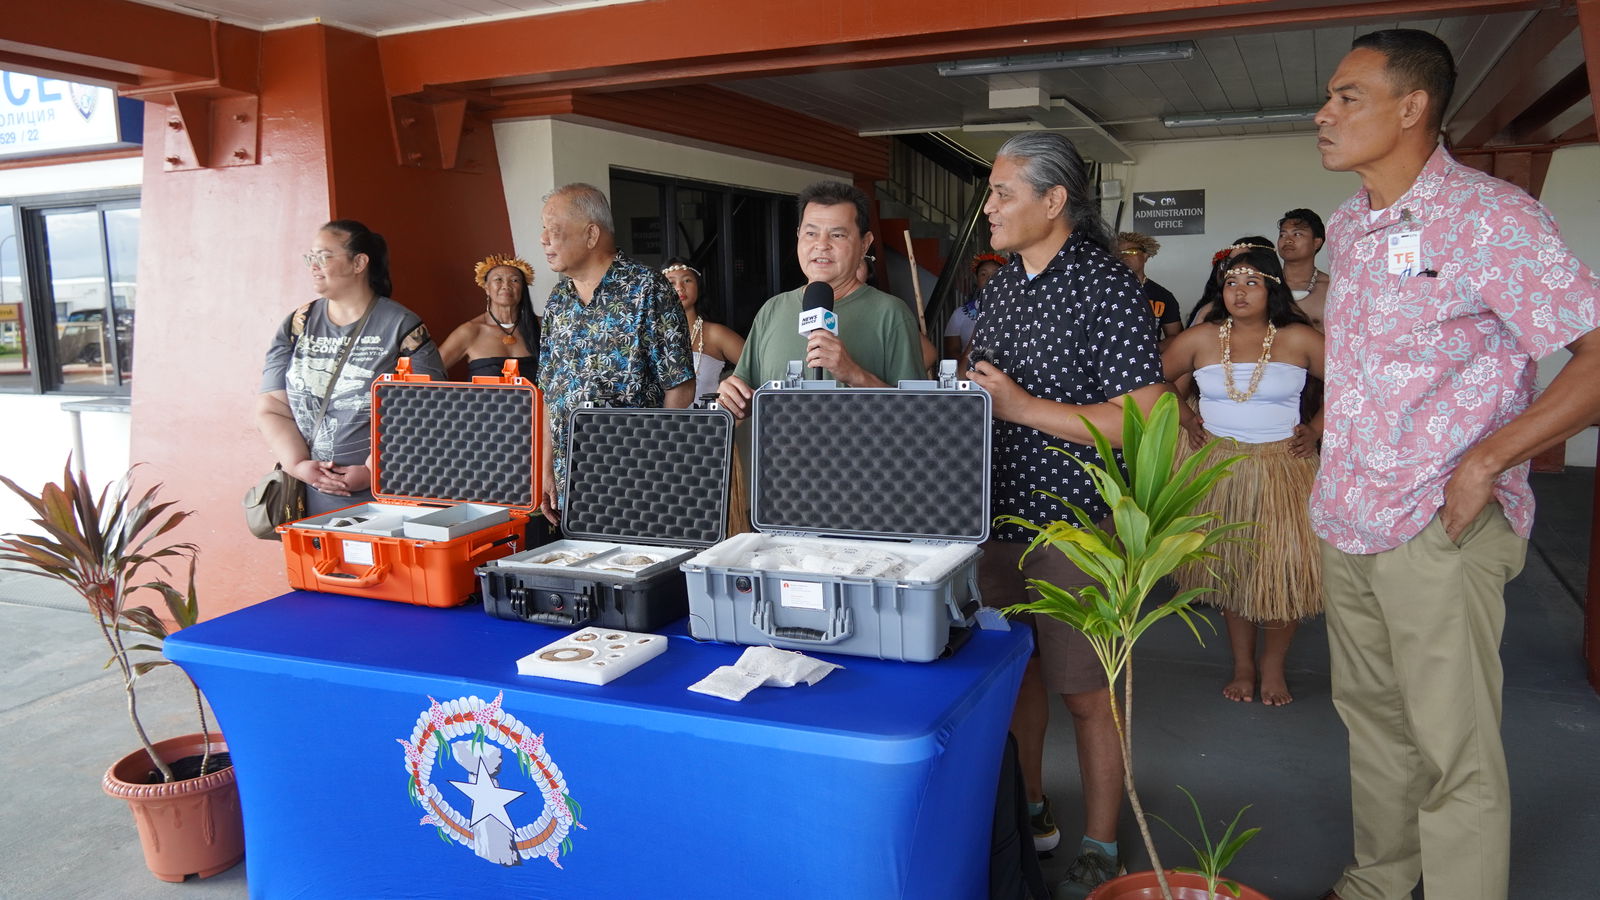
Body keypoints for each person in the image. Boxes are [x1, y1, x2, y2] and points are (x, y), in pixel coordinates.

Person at [1311, 29, 1600, 900]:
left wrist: (1485, 465)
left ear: (1413, 107)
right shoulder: (1350, 228)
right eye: (1327, 98)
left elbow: (1594, 359)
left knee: (1453, 745)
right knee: (1372, 723)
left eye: (1347, 96)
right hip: (1350, 517)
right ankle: (1381, 881)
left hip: (1443, 523)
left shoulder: (1491, 219)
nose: (1323, 114)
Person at [964, 132, 1167, 899]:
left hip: (1078, 524)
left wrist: (1024, 408)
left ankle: (1102, 841)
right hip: (998, 518)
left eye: (1003, 192)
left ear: (1054, 202)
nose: (989, 207)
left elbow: (1145, 419)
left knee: (1089, 691)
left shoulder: (1104, 285)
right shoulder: (1005, 283)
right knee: (1014, 681)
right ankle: (1034, 810)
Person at [1162, 246, 1324, 706]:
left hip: (1283, 469)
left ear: (1272, 286)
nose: (1239, 291)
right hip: (1219, 467)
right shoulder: (1201, 337)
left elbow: (1354, 385)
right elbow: (1150, 378)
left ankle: (1272, 668)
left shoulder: (1297, 338)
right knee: (1231, 571)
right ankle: (1243, 667)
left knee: (1281, 570)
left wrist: (1315, 429)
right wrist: (1185, 416)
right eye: (1232, 282)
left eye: (1252, 282)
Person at [257, 219, 445, 516]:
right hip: (308, 498)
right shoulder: (297, 323)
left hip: (387, 496)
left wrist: (374, 471)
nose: (314, 266)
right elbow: (272, 406)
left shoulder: (401, 326)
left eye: (324, 256)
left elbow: (427, 407)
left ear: (359, 263)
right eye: (311, 257)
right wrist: (298, 466)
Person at [538, 183, 695, 526]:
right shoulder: (557, 299)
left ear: (591, 234)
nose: (544, 239)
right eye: (543, 229)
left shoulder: (646, 288)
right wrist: (546, 470)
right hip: (572, 486)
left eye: (554, 229)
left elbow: (679, 385)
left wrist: (660, 467)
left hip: (636, 479)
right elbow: (550, 392)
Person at [718, 180, 924, 418]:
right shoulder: (773, 310)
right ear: (798, 236)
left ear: (864, 243)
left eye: (837, 235)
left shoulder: (891, 314)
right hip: (777, 455)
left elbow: (916, 415)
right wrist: (731, 396)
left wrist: (855, 375)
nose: (821, 245)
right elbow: (744, 398)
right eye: (811, 233)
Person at [438, 253, 540, 380]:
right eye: (498, 280)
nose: (506, 286)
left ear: (523, 288)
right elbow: (427, 371)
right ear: (486, 288)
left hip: (537, 400)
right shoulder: (470, 331)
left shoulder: (541, 326)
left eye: (514, 280)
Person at [661, 257, 744, 399]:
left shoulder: (716, 334)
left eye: (687, 280)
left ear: (698, 286)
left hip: (707, 421)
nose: (679, 287)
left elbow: (761, 371)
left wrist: (735, 417)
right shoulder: (648, 335)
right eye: (671, 282)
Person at [1184, 236, 1275, 327]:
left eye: (1251, 283)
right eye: (1229, 261)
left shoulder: (1286, 317)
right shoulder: (1208, 311)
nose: (1239, 292)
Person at [1115, 232, 1181, 341]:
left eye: (1132, 251)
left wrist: (1150, 351)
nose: (1124, 257)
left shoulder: (1163, 296)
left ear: (1145, 256)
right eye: (1119, 253)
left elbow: (1175, 338)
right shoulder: (1106, 291)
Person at [944, 252, 1007, 361]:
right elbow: (952, 351)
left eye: (996, 274)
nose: (990, 279)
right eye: (983, 274)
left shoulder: (1014, 311)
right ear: (976, 279)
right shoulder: (960, 314)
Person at [1276, 208, 1329, 330]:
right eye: (1282, 235)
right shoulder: (1266, 283)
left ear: (1317, 242)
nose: (1288, 240)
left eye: (1297, 234)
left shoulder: (1331, 288)